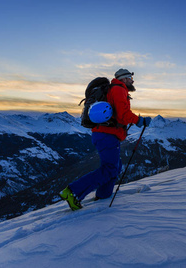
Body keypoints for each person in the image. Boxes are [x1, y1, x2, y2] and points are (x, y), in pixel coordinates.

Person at [60, 68, 152, 210]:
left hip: (105, 134)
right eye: (131, 79)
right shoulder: (119, 89)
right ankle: (72, 192)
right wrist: (140, 121)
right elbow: (123, 114)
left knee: (115, 166)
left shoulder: (115, 89)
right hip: (107, 134)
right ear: (124, 79)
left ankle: (103, 195)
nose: (132, 81)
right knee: (109, 168)